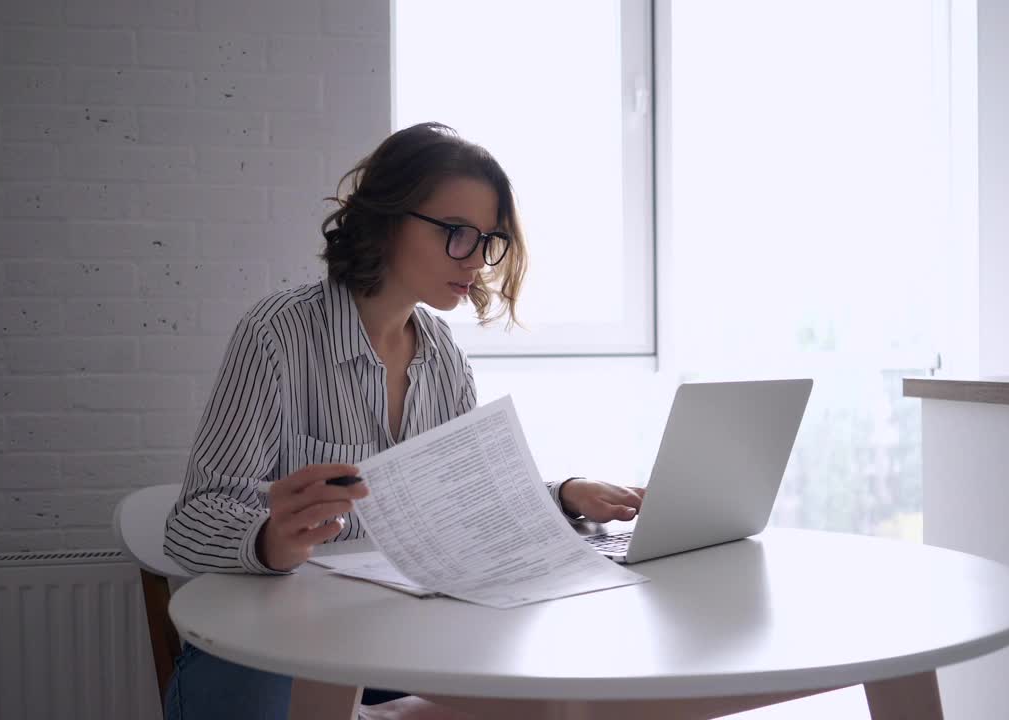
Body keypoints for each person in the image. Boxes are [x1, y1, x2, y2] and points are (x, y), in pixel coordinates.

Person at [161, 122, 647, 720]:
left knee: (557, 693)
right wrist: (272, 539)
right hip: (267, 653)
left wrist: (564, 495)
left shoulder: (444, 357)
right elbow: (189, 522)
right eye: (456, 234)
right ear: (388, 218)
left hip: (391, 644)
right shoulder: (278, 336)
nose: (475, 260)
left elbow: (469, 507)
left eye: (487, 239)